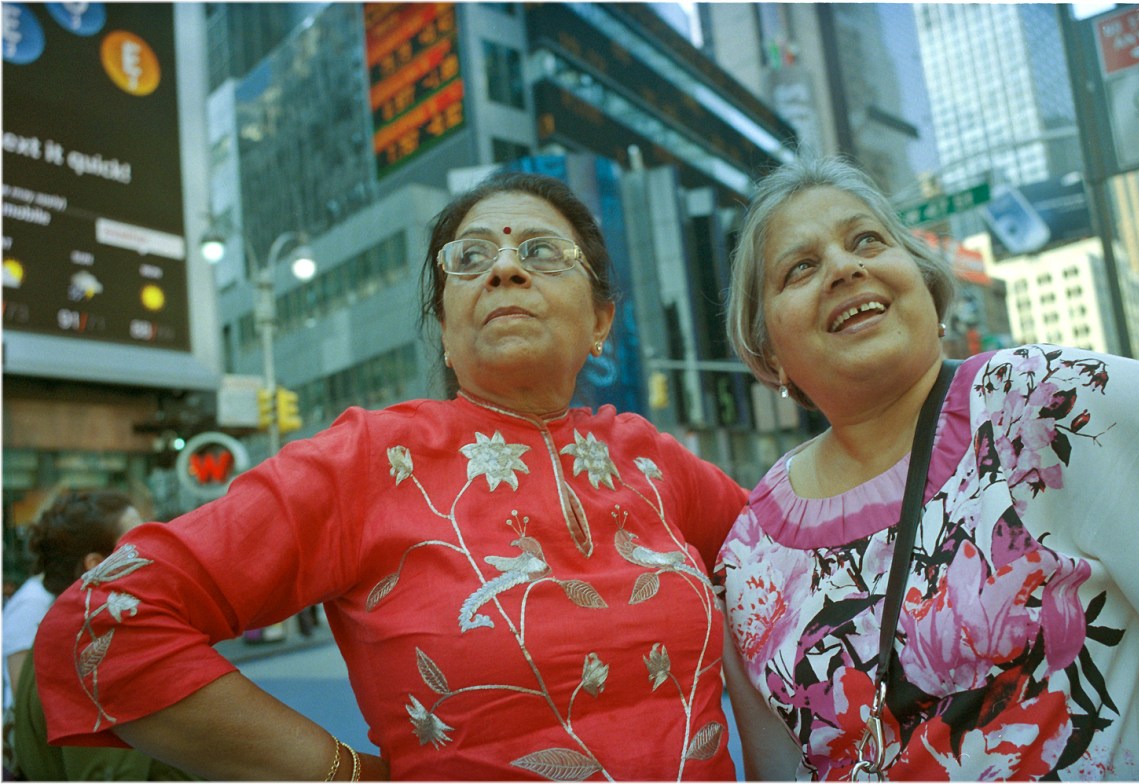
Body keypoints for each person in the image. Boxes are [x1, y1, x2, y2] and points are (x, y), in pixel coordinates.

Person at [34, 171, 748, 781]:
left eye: (540, 252)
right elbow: (103, 622)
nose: (505, 269)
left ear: (601, 321)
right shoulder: (368, 462)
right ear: (444, 326)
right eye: (469, 259)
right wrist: (340, 772)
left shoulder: (654, 461)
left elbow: (800, 565)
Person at [716, 154, 1139, 780]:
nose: (845, 268)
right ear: (768, 350)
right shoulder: (749, 556)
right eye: (801, 267)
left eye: (867, 239)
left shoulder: (1043, 402)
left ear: (926, 284)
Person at [6, 489, 194, 779]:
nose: (155, 549)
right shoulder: (94, 653)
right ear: (96, 565)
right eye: (138, 541)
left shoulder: (64, 639)